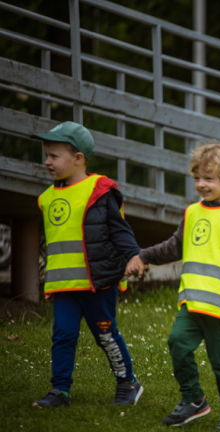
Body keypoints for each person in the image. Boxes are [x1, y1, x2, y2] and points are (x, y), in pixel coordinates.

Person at [126, 143, 220, 432]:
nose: (201, 184)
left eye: (209, 179)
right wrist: (143, 256)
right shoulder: (193, 212)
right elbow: (175, 247)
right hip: (192, 304)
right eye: (197, 177)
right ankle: (194, 399)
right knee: (177, 344)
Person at [31, 121, 143, 408]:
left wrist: (134, 256)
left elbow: (120, 230)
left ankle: (127, 382)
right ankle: (60, 391)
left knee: (105, 335)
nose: (47, 162)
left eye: (54, 156)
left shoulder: (100, 191)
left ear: (78, 159)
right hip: (65, 285)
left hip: (98, 283)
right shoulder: (47, 198)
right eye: (46, 155)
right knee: (63, 335)